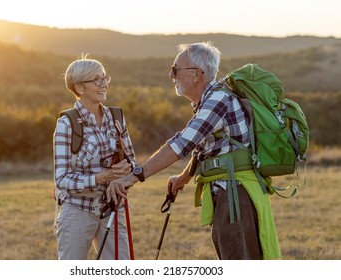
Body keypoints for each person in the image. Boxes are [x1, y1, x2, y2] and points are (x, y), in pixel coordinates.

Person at [107, 42, 281, 260]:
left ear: (197, 74)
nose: (171, 75)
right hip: (231, 191)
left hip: (235, 193)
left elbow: (182, 144)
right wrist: (184, 177)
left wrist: (134, 176)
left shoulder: (219, 100)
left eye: (176, 69)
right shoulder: (209, 100)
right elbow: (202, 150)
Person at [53, 56, 137, 260]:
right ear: (80, 87)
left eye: (105, 78)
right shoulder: (67, 124)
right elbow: (62, 180)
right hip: (77, 211)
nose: (104, 85)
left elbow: (132, 163)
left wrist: (120, 180)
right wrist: (100, 178)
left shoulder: (116, 118)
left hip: (112, 208)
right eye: (96, 80)